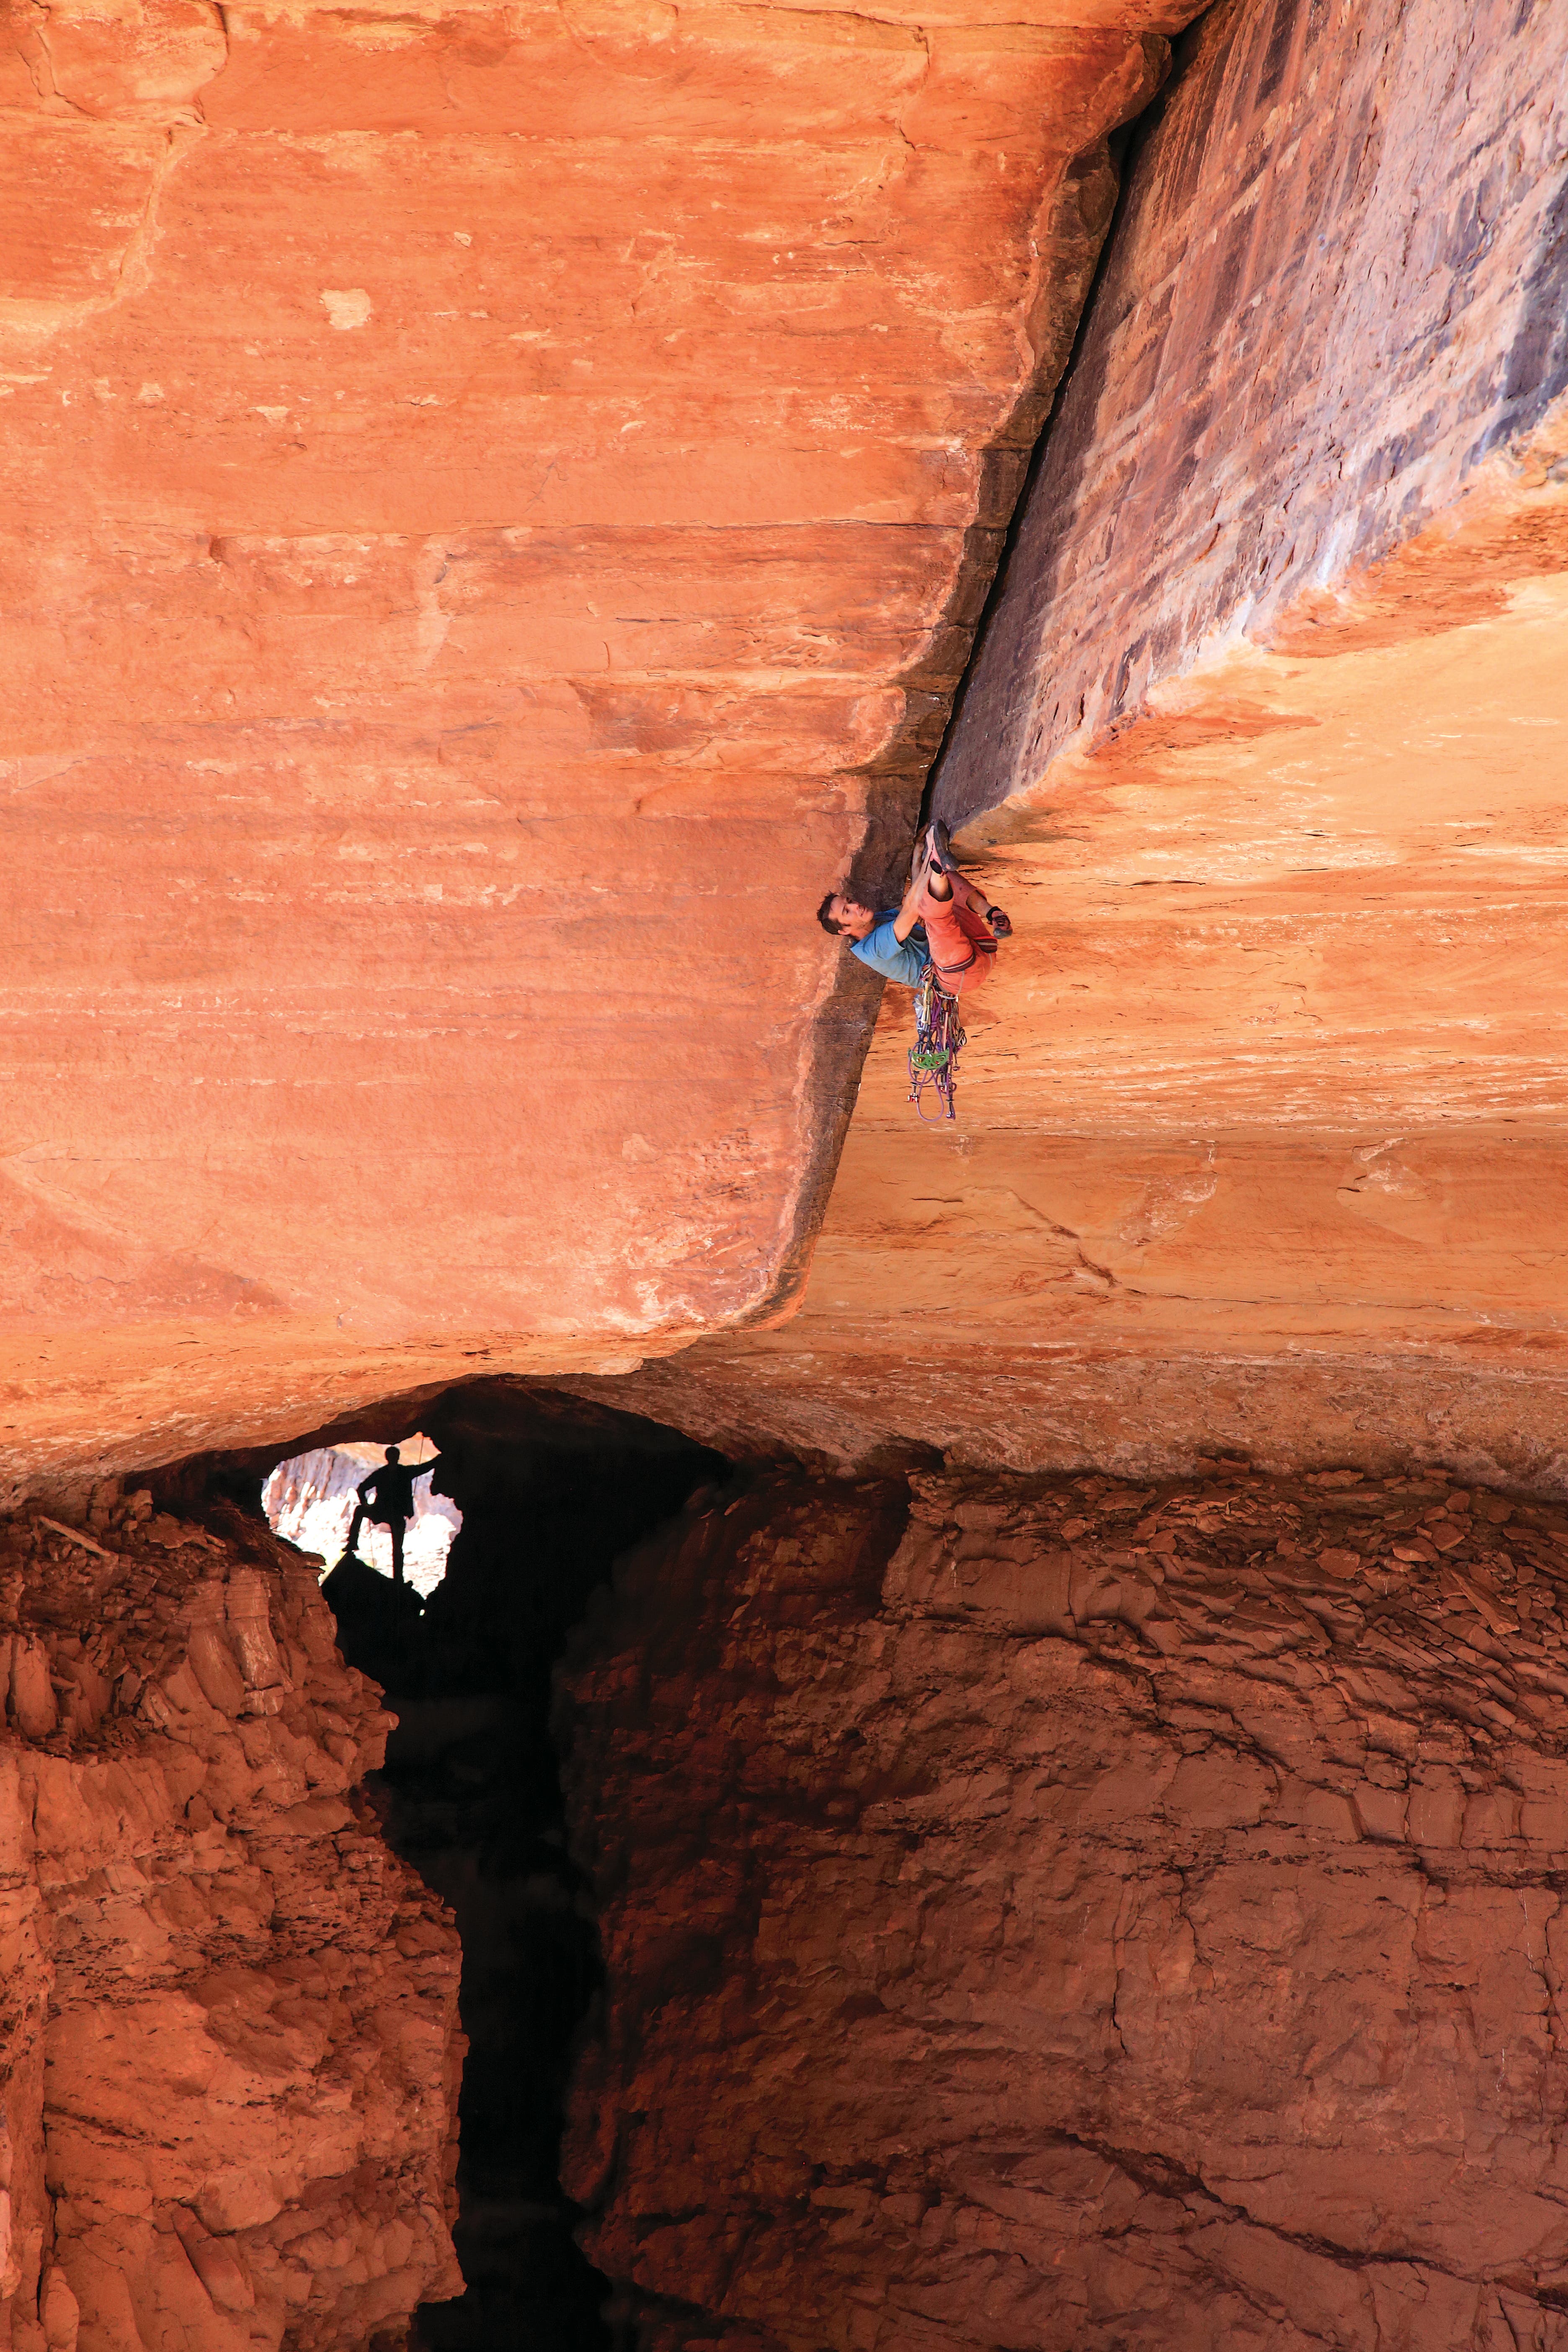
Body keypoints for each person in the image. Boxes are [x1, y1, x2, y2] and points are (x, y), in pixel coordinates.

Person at [816, 820, 1011, 995]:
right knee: (933, 910)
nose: (855, 905)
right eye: (847, 911)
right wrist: (930, 857)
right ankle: (938, 865)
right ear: (845, 931)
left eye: (849, 901)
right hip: (958, 973)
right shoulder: (871, 949)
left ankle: (993, 914)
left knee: (941, 886)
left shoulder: (881, 918)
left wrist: (919, 854)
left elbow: (915, 895)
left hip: (980, 948)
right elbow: (913, 907)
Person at [341, 1444, 442, 1585]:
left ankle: (352, 1543)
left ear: (387, 1458)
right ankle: (398, 1580)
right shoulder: (405, 1472)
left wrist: (365, 1504)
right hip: (395, 1514)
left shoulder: (382, 1473)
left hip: (382, 1511)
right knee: (398, 1549)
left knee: (360, 1511)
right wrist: (439, 1458)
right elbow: (425, 1468)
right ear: (398, 1457)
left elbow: (362, 1488)